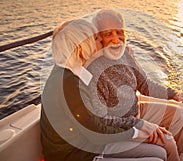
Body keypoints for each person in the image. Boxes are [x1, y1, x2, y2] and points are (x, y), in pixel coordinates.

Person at [40, 18, 168, 161]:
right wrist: (135, 133)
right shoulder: (68, 84)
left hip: (91, 145)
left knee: (161, 153)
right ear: (81, 48)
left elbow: (93, 123)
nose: (101, 42)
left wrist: (124, 53)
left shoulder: (71, 71)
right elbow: (95, 132)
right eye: (95, 39)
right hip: (78, 155)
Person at [85, 9, 183, 161]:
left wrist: (173, 94)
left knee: (178, 114)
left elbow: (144, 83)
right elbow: (102, 120)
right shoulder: (94, 70)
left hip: (135, 111)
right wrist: (139, 124)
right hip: (119, 129)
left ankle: (177, 156)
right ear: (98, 37)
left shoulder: (125, 54)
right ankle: (171, 154)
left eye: (119, 32)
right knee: (167, 141)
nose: (116, 40)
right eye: (108, 34)